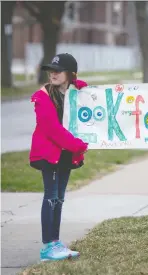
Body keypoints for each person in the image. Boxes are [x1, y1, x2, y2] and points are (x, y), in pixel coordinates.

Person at [29, 53, 89, 261]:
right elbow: (52, 129)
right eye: (51, 70)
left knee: (60, 199)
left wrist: (77, 83)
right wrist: (78, 146)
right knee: (51, 197)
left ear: (70, 74)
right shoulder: (43, 97)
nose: (53, 74)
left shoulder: (73, 93)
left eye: (58, 70)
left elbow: (84, 87)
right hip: (49, 154)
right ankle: (48, 246)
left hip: (64, 155)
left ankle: (55, 242)